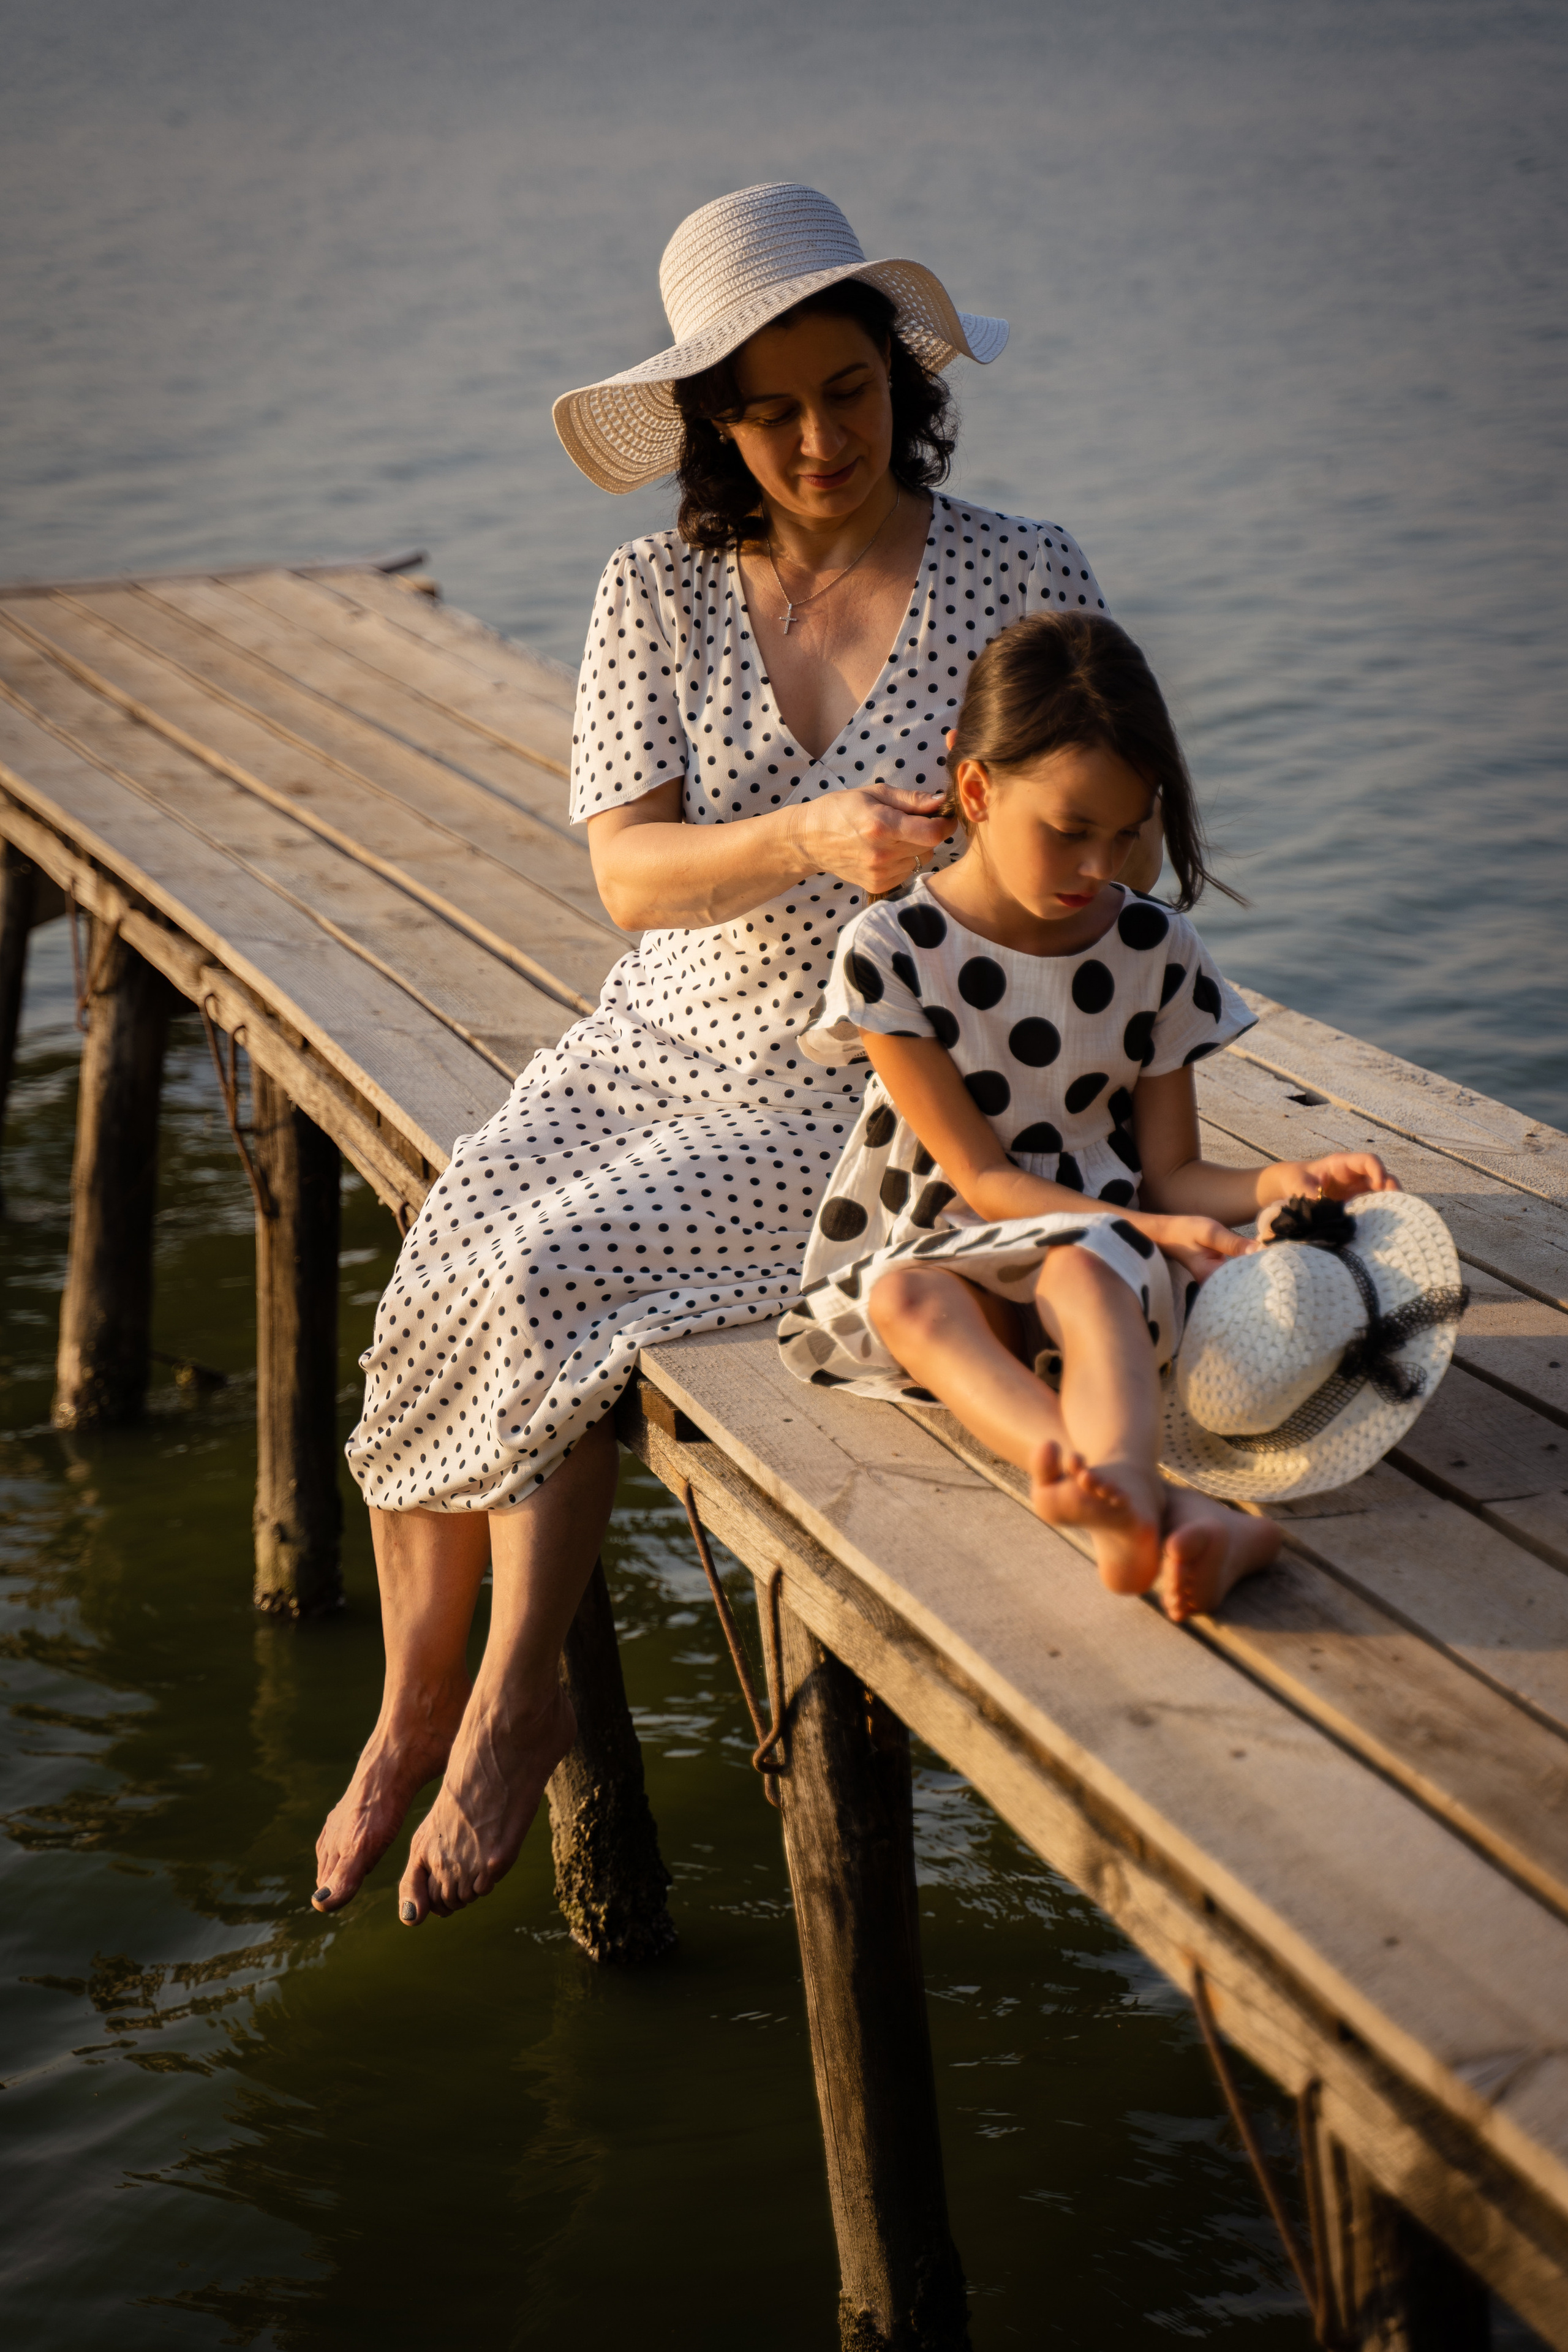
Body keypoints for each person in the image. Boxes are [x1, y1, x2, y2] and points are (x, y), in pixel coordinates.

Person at [314, 181, 1152, 1928]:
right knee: (436, 1263)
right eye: (768, 407)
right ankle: (407, 1714)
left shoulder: (1022, 569)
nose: (817, 435)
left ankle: (519, 1695)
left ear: (896, 381)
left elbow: (1110, 840)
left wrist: (982, 868)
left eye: (845, 389)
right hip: (661, 1037)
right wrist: (812, 836)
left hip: (892, 1065)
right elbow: (628, 873)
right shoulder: (657, 590)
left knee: (552, 1272)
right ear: (715, 425)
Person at [777, 609, 1409, 1620]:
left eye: (1127, 832)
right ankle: (1155, 1508)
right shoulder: (890, 950)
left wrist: (1276, 1185)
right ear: (977, 789)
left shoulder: (1154, 950)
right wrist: (1153, 1226)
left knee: (1079, 1263)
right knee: (902, 1299)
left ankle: (1118, 1487)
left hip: (1106, 1277)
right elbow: (981, 1185)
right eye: (1070, 831)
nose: (1101, 867)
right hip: (960, 1244)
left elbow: (1172, 1176)